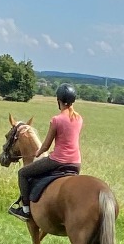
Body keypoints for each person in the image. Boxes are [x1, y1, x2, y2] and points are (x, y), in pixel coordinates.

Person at [9, 84, 82, 217]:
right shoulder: (79, 119)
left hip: (58, 161)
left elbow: (46, 146)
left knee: (23, 173)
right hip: (76, 163)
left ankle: (25, 209)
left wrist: (37, 153)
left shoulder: (56, 120)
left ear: (58, 101)